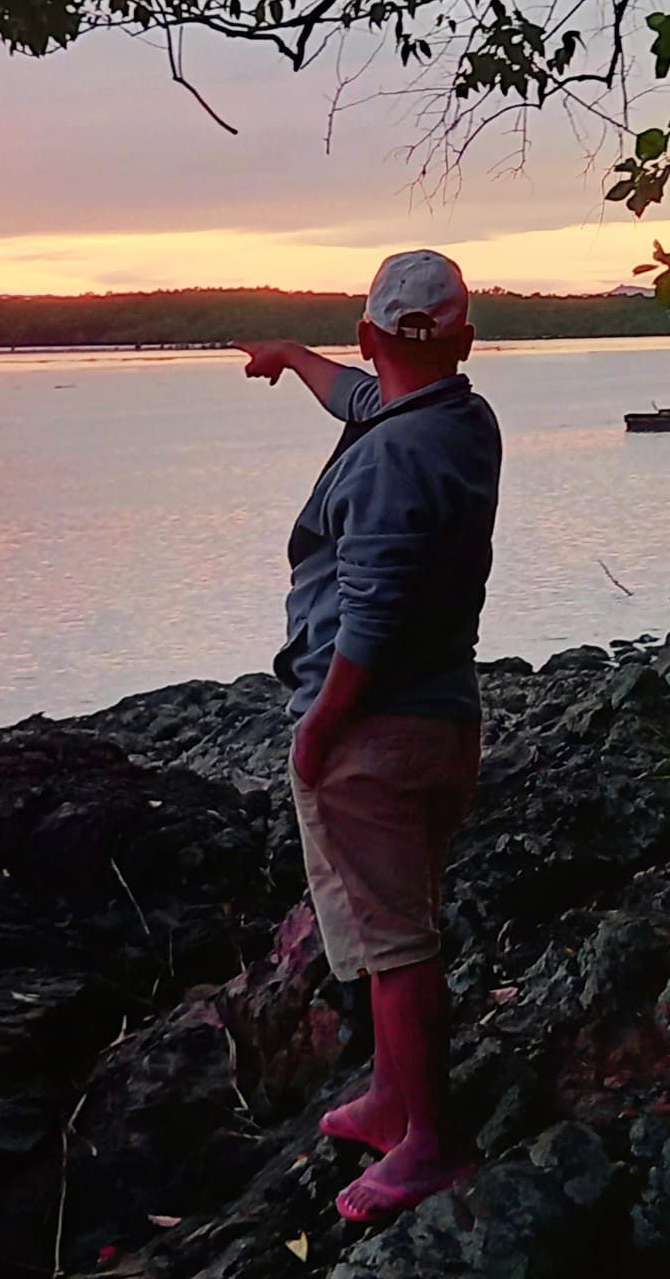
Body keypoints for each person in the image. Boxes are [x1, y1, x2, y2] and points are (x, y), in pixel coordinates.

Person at [234, 250, 501, 1225]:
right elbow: (364, 397)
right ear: (464, 339)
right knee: (405, 920)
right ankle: (393, 1099)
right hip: (441, 719)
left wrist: (318, 729)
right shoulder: (458, 418)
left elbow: (373, 621)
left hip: (378, 732)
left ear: (371, 334)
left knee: (395, 944)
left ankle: (427, 1145)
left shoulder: (390, 457)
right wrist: (293, 358)